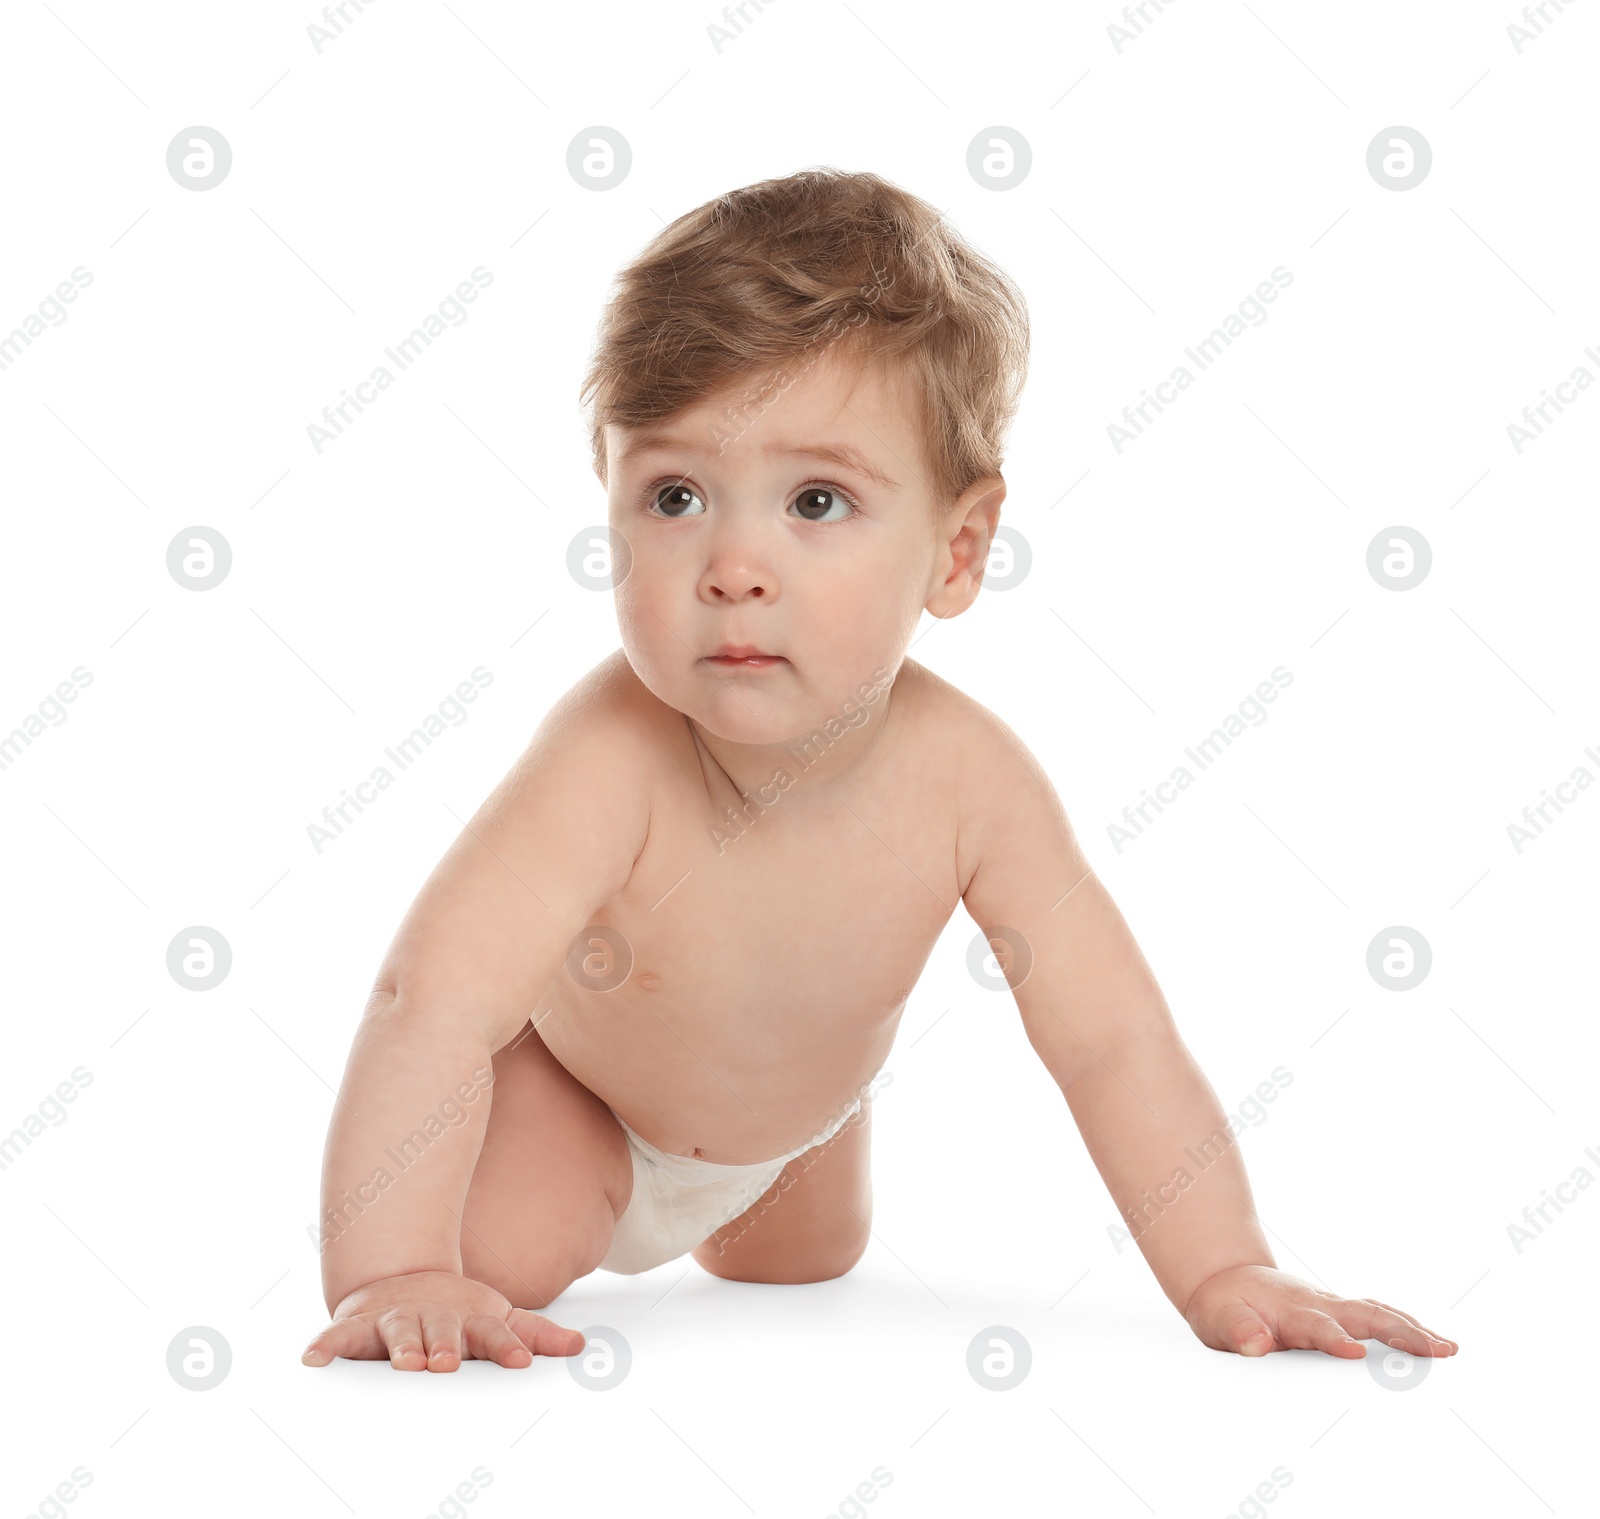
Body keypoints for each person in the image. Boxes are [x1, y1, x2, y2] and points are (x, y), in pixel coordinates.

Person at [301, 167, 1457, 1372]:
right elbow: (428, 997)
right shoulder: (608, 757)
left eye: (814, 500)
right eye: (676, 494)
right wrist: (393, 1267)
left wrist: (1227, 1261)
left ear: (956, 552)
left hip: (793, 1132)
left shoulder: (969, 780)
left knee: (801, 1267)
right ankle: (491, 1227)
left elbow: (1109, 1035)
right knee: (494, 1257)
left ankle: (784, 1163)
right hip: (595, 1109)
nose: (734, 564)